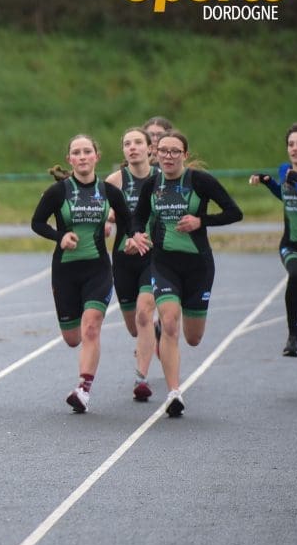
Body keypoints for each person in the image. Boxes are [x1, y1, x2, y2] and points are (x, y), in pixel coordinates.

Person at [133, 130, 243, 417]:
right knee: (170, 322)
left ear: (184, 154)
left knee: (192, 337)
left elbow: (234, 212)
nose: (168, 157)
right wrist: (136, 234)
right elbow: (138, 216)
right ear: (155, 153)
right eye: (163, 151)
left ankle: (171, 342)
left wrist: (200, 220)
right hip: (164, 264)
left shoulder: (200, 181)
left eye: (174, 151)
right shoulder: (152, 185)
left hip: (198, 267)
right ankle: (174, 393)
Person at [31, 134, 144, 413]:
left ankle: (83, 389)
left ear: (96, 157)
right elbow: (37, 222)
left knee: (91, 327)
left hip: (98, 269)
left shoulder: (109, 192)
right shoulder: (58, 192)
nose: (82, 157)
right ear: (70, 159)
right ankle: (83, 372)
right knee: (73, 338)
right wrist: (60, 236)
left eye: (87, 152)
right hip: (65, 271)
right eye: (76, 153)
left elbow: (129, 221)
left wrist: (131, 237)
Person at [104, 127, 159, 401]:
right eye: (127, 144)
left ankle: (141, 378)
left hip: (155, 257)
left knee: (143, 313)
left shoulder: (162, 179)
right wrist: (107, 223)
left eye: (138, 142)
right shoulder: (115, 180)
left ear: (150, 148)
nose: (133, 148)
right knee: (134, 327)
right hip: (124, 258)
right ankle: (153, 334)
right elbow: (103, 211)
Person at [249, 122, 297, 358]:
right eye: (291, 144)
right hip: (291, 244)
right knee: (296, 275)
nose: (295, 148)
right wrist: (267, 182)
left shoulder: (296, 176)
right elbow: (283, 194)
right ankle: (293, 336)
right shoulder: (286, 170)